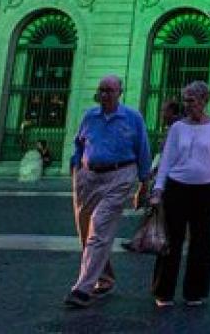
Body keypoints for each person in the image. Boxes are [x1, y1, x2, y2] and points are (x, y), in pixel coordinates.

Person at [65, 74, 153, 309]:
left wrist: (144, 183)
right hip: (88, 176)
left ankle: (83, 288)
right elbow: (79, 143)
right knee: (86, 233)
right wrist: (75, 165)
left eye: (109, 91)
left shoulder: (132, 118)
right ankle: (104, 278)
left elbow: (143, 149)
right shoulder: (89, 116)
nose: (104, 95)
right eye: (101, 90)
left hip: (120, 176)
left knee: (99, 227)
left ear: (119, 93)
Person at [149, 81, 210, 308]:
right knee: (171, 240)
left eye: (191, 101)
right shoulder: (177, 128)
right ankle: (163, 292)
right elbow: (167, 159)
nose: (187, 105)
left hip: (208, 188)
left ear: (204, 101)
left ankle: (195, 292)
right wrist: (158, 188)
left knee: (201, 241)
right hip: (177, 187)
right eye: (185, 100)